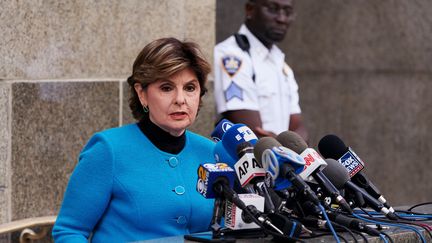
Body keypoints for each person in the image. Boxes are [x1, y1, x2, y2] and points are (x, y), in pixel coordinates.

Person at [52, 37, 215, 242]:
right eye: (166, 88)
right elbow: (69, 231)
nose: (181, 99)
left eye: (190, 88)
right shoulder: (108, 149)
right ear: (142, 94)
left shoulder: (211, 152)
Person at [213, 0, 308, 141]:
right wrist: (291, 145)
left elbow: (300, 129)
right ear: (250, 9)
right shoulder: (231, 57)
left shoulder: (280, 63)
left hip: (284, 162)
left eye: (287, 12)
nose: (281, 19)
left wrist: (287, 145)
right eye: (272, 9)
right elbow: (252, 134)